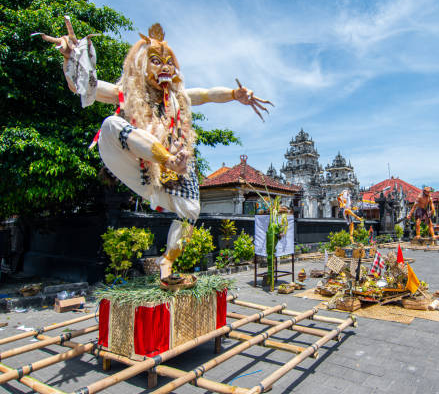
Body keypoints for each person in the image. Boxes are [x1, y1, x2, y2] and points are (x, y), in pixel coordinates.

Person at [39, 19, 272, 281]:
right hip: (138, 163)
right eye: (156, 61)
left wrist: (234, 93)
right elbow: (86, 88)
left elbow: (206, 94)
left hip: (175, 171)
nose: (165, 67)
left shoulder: (176, 96)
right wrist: (73, 60)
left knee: (191, 211)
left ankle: (167, 262)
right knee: (111, 124)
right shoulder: (128, 91)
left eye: (169, 62)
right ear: (141, 65)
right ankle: (169, 159)